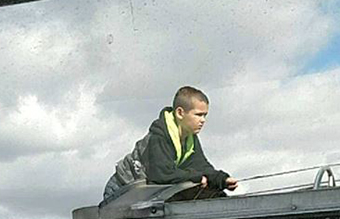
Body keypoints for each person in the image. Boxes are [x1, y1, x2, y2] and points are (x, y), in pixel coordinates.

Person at [102, 86, 238, 203]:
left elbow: (201, 166)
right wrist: (197, 178)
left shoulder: (190, 138)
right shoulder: (159, 137)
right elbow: (163, 175)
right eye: (198, 115)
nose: (203, 120)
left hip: (143, 192)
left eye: (205, 115)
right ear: (180, 113)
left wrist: (222, 180)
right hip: (122, 190)